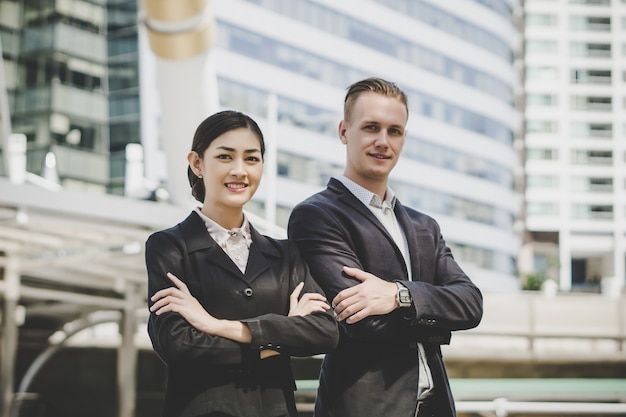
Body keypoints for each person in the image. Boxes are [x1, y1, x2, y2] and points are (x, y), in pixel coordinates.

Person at [287, 77, 483, 417]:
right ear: (344, 132)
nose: (383, 141)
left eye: (394, 131)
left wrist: (398, 296)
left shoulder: (425, 227)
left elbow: (470, 303)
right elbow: (361, 323)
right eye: (371, 127)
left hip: (436, 407)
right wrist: (436, 313)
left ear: (404, 138)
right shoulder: (316, 216)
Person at [146, 110, 339, 417]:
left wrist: (218, 326)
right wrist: (275, 341)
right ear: (197, 164)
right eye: (225, 157)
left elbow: (323, 331)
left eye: (252, 159)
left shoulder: (287, 253)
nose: (240, 170)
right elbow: (178, 345)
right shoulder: (169, 247)